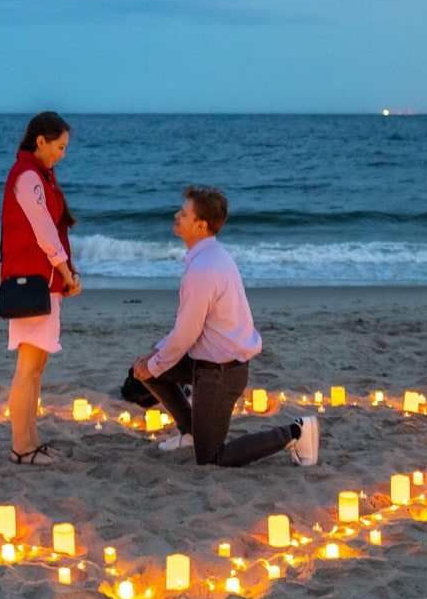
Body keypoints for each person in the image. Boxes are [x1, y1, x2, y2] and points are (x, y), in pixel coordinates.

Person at [130, 186, 318, 468]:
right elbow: (186, 331)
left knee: (211, 458)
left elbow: (185, 334)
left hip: (219, 373)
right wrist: (154, 357)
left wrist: (155, 362)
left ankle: (295, 432)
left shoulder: (204, 269)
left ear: (200, 224)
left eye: (183, 213)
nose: (176, 215)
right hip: (205, 362)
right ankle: (191, 432)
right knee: (148, 370)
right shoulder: (210, 256)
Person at [1, 111, 82, 465]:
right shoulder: (28, 177)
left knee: (36, 367)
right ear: (41, 142)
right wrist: (65, 272)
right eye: (60, 146)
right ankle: (22, 447)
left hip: (42, 281)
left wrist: (64, 275)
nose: (63, 154)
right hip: (33, 282)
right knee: (28, 367)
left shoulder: (39, 176)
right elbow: (44, 231)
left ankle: (31, 440)